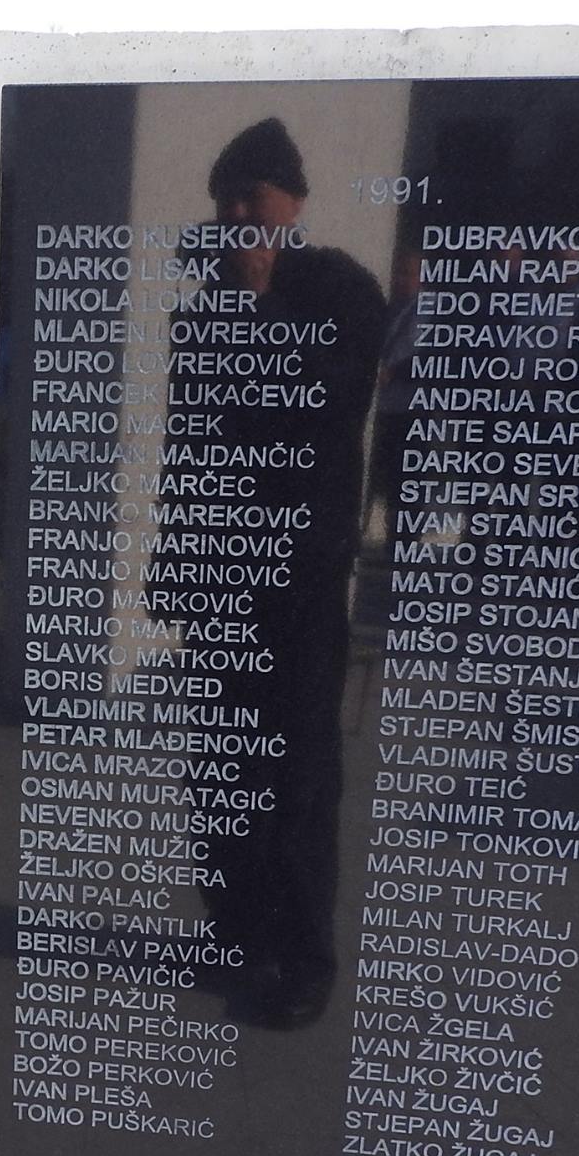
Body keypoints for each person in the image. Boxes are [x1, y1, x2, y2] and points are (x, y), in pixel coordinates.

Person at [158, 118, 388, 1029]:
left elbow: (331, 404)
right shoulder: (200, 306)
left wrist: (258, 307)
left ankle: (303, 958)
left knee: (298, 772)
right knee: (219, 769)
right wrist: (176, 560)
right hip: (218, 571)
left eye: (250, 195)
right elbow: (191, 444)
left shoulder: (343, 289)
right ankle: (236, 932)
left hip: (300, 575)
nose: (235, 214)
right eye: (224, 199)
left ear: (292, 201)